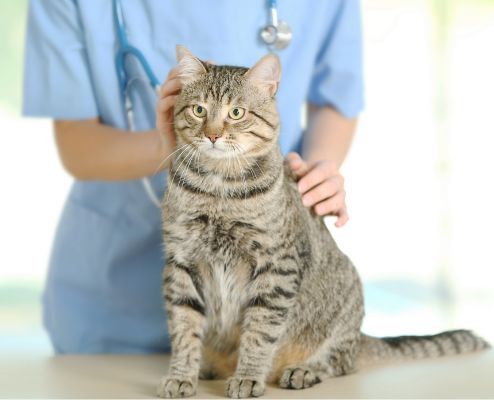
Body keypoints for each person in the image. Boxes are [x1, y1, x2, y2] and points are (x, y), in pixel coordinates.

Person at [23, 0, 364, 353]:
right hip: (114, 309)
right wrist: (170, 144)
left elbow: (336, 97)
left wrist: (315, 174)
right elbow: (77, 144)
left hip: (267, 302)